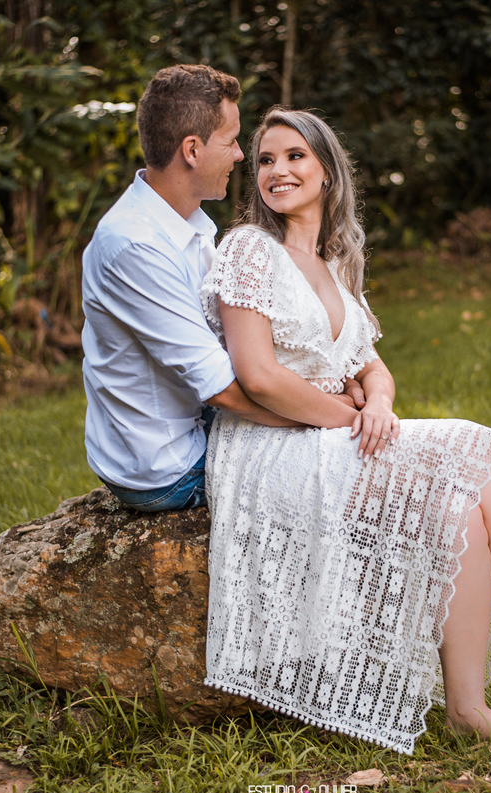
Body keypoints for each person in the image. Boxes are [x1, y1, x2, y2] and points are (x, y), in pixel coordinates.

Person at [200, 108, 491, 755]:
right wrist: (354, 416)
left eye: (294, 156)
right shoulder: (249, 249)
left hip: (330, 432)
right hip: (270, 447)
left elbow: (372, 365)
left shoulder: (333, 262)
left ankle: (468, 707)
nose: (277, 171)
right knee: (474, 446)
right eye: (266, 159)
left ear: (327, 170)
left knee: (459, 513)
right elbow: (261, 376)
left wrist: (379, 402)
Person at [80, 65, 363, 512]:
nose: (239, 156)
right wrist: (340, 419)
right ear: (192, 150)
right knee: (366, 485)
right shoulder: (134, 245)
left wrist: (342, 387)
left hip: (211, 425)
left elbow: (255, 343)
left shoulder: (188, 227)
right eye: (231, 141)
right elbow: (224, 389)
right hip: (170, 465)